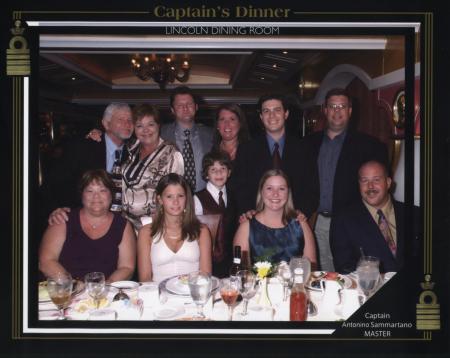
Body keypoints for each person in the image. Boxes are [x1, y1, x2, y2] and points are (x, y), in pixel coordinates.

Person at [300, 88, 389, 271]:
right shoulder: (307, 144)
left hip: (352, 221)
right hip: (316, 223)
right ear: (325, 110)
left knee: (351, 273)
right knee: (321, 274)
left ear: (350, 110)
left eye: (342, 106)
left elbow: (378, 187)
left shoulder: (370, 145)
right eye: (333, 106)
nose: (337, 111)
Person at [38, 169, 136, 282]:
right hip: (65, 292)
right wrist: (73, 286)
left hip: (105, 292)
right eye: (89, 191)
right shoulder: (63, 219)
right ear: (82, 194)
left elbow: (127, 267)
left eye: (102, 190)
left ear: (111, 194)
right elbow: (46, 261)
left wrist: (104, 288)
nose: (96, 196)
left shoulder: (122, 225)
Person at [44, 102, 134, 225]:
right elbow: (53, 181)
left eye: (130, 120)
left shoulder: (133, 153)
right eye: (121, 119)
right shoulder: (82, 147)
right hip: (78, 220)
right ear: (106, 124)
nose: (127, 124)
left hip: (118, 222)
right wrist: (55, 209)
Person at [330, 160, 419, 273]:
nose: (370, 186)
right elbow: (344, 266)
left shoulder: (415, 214)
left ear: (388, 182)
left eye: (376, 180)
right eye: (364, 180)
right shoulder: (343, 219)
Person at [231, 94, 311, 217]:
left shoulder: (304, 148)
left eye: (277, 110)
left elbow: (311, 186)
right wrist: (248, 211)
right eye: (266, 111)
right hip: (256, 218)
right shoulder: (246, 149)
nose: (272, 115)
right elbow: (239, 187)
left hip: (293, 218)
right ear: (261, 117)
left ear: (286, 114)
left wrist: (302, 211)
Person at [137, 173, 212, 283]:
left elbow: (206, 276)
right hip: (159, 296)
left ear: (186, 198)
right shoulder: (146, 233)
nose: (176, 202)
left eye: (180, 196)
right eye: (169, 196)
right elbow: (145, 279)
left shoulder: (201, 231)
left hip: (192, 295)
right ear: (160, 200)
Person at [233, 169, 316, 265]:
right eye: (269, 188)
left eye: (281, 188)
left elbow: (311, 268)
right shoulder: (246, 227)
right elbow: (240, 272)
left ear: (288, 193)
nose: (275, 194)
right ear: (261, 191)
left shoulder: (301, 224)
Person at [122, 104, 184, 230]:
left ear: (158, 125)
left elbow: (176, 194)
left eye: (150, 124)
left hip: (155, 225)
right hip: (124, 224)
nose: (145, 130)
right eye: (139, 126)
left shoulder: (172, 154)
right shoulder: (128, 148)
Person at [160, 86, 214, 193]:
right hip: (172, 199)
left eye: (189, 104)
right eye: (180, 105)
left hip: (205, 199)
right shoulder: (160, 134)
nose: (185, 108)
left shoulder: (211, 135)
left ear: (196, 107)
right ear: (172, 110)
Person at [194, 150, 237, 277]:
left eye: (223, 168)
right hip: (207, 261)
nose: (219, 173)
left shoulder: (234, 197)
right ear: (206, 174)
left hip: (230, 261)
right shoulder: (197, 199)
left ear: (229, 172)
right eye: (213, 169)